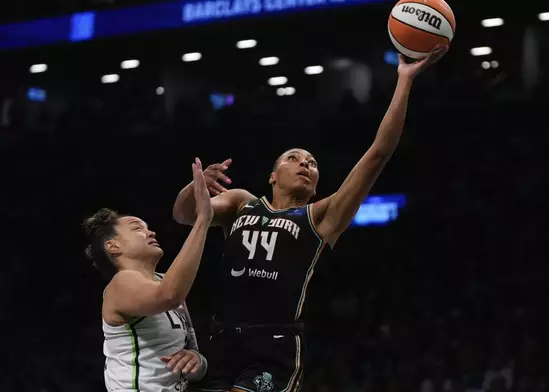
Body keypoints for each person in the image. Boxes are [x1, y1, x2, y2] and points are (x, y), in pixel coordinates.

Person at [172, 49, 447, 392]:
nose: (305, 163)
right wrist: (195, 185)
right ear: (273, 176)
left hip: (274, 346)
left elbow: (378, 154)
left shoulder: (321, 217)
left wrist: (404, 79)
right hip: (221, 340)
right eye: (294, 158)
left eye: (312, 163)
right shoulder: (242, 202)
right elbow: (184, 215)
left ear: (316, 185)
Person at [83, 158, 214, 392]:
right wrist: (202, 220)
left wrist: (197, 360)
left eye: (146, 227)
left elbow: (195, 355)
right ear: (113, 247)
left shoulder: (165, 281)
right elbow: (169, 295)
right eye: (136, 228)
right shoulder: (120, 284)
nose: (150, 231)